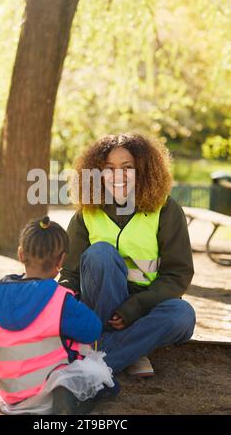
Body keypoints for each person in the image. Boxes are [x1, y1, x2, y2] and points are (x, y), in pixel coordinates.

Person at [59, 133, 196, 378]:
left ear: (143, 170)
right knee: (100, 253)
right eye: (108, 168)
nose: (118, 176)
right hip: (98, 307)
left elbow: (178, 274)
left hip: (146, 304)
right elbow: (69, 274)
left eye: (127, 167)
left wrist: (135, 308)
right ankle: (128, 353)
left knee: (182, 315)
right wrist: (62, 304)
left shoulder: (166, 210)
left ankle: (99, 355)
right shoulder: (87, 212)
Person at [0, 216, 118, 415]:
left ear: (20, 254)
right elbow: (93, 330)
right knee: (103, 381)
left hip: (12, 396)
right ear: (61, 260)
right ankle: (67, 399)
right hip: (51, 389)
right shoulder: (60, 300)